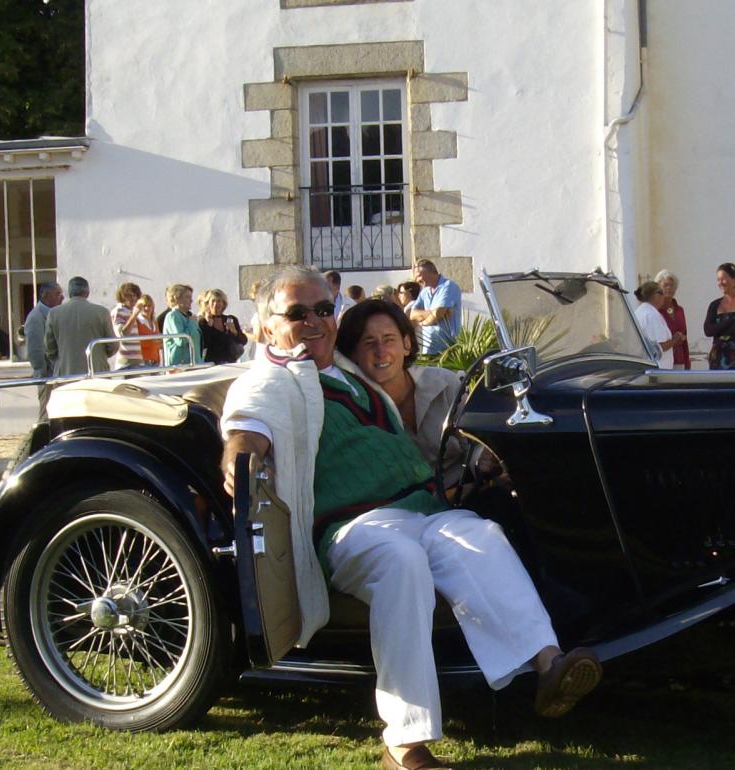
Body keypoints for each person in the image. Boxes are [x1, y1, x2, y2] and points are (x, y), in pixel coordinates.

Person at [219, 267, 601, 770]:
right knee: (401, 561)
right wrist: (242, 454)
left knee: (481, 534)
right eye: (296, 313)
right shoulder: (274, 376)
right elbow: (247, 419)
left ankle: (549, 665)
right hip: (355, 525)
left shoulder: (345, 369)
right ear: (268, 326)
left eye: (321, 309)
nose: (313, 321)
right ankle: (404, 744)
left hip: (422, 509)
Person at [337, 299, 470, 489]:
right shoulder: (353, 409)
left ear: (406, 344)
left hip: (467, 492)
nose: (381, 352)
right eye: (369, 343)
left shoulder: (444, 383)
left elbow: (475, 445)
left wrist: (482, 460)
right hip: (404, 510)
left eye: (389, 340)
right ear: (353, 354)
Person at [44, 276, 115, 377]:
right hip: (97, 372)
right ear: (87, 293)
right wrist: (100, 355)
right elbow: (112, 345)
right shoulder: (102, 312)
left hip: (66, 373)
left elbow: (49, 348)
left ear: (69, 293)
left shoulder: (54, 313)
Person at [703, 262, 735, 370]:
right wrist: (729, 322)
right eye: (718, 279)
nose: (720, 283)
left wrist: (718, 329)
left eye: (723, 279)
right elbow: (708, 330)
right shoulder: (714, 305)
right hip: (717, 356)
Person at [406, 260, 462, 357]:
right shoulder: (425, 291)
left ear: (431, 272)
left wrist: (422, 323)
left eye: (419, 275)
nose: (416, 279)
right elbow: (412, 314)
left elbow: (437, 315)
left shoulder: (448, 286)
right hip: (428, 349)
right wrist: (433, 313)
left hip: (447, 350)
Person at [632, 281, 679, 368]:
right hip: (658, 368)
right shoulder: (651, 315)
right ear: (653, 295)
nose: (663, 296)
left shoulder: (641, 311)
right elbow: (660, 346)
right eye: (661, 293)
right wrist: (675, 339)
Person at [197, 288, 248, 365]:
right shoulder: (203, 321)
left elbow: (243, 341)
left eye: (219, 301)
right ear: (208, 304)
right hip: (212, 363)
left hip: (231, 363)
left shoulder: (231, 319)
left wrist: (234, 331)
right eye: (213, 301)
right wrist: (209, 327)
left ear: (224, 304)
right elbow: (204, 344)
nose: (216, 304)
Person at [24, 282, 63, 377]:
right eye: (57, 294)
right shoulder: (35, 317)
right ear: (45, 295)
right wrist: (43, 374)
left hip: (58, 373)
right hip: (47, 375)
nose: (62, 297)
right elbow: (35, 350)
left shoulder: (55, 314)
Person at [655, 270, 691, 369]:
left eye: (672, 286)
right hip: (662, 360)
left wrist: (687, 363)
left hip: (679, 359)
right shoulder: (655, 311)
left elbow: (684, 338)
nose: (669, 288)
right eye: (666, 285)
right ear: (658, 287)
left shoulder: (679, 310)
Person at [159, 284, 202, 367]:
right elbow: (181, 340)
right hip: (180, 366)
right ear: (176, 298)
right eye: (187, 297)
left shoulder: (188, 317)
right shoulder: (173, 316)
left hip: (193, 364)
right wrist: (192, 323)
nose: (191, 300)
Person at [111, 282, 147, 369]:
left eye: (135, 296)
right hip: (126, 363)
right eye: (129, 296)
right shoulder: (118, 311)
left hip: (138, 360)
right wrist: (134, 315)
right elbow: (122, 334)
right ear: (122, 296)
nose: (133, 299)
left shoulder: (132, 312)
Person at [136, 294, 163, 365]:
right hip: (144, 361)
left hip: (155, 360)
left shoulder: (154, 321)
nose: (147, 308)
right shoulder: (137, 321)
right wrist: (151, 340)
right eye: (144, 306)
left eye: (149, 305)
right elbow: (136, 342)